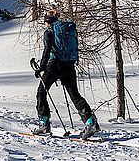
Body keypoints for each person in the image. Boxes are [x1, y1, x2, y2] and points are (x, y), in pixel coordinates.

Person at [33, 9, 99, 139]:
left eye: (45, 22)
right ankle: (90, 122)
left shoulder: (50, 31)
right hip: (69, 65)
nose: (45, 25)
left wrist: (41, 68)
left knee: (41, 92)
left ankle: (44, 124)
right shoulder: (66, 30)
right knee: (74, 95)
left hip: (54, 66)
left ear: (48, 22)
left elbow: (47, 51)